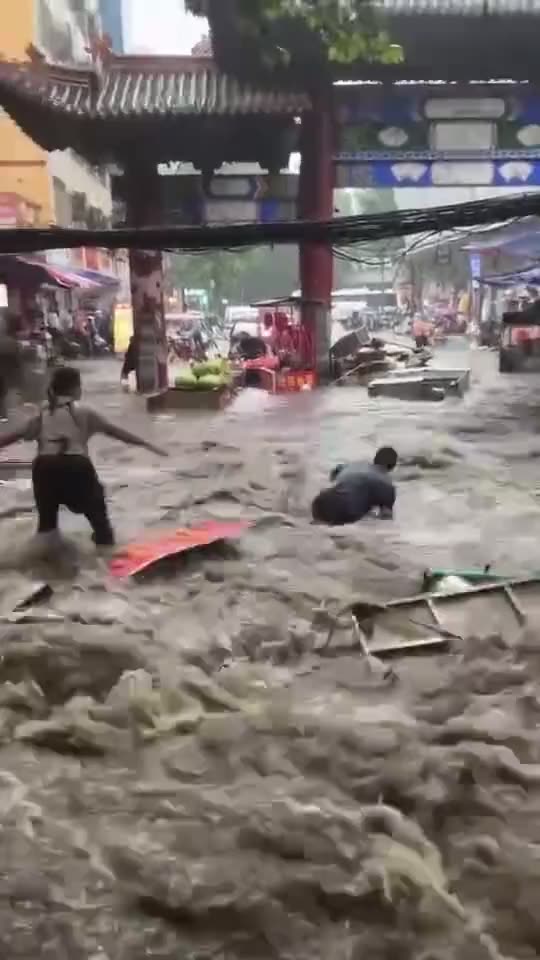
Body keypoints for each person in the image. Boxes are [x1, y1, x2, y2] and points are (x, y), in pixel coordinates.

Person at [0, 366, 167, 546]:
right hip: (76, 467)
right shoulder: (84, 412)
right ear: (74, 389)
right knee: (101, 526)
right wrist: (146, 444)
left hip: (44, 468)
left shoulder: (42, 413)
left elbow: (13, 436)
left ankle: (38, 562)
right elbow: (117, 432)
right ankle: (105, 559)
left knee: (47, 529)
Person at [312, 447, 398, 527]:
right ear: (392, 466)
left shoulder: (355, 465)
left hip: (322, 500)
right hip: (346, 509)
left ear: (375, 459)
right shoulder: (387, 485)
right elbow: (386, 519)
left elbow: (334, 473)